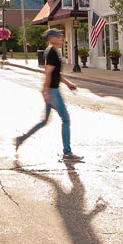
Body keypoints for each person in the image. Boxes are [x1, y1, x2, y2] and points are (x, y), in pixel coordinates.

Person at [14, 28, 81, 162]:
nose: (61, 38)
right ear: (51, 38)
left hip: (51, 90)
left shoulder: (54, 52)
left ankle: (21, 139)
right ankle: (67, 152)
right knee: (66, 120)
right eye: (58, 36)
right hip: (53, 92)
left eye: (61, 36)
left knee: (44, 121)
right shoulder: (52, 53)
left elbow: (56, 74)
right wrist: (45, 91)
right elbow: (48, 73)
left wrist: (68, 84)